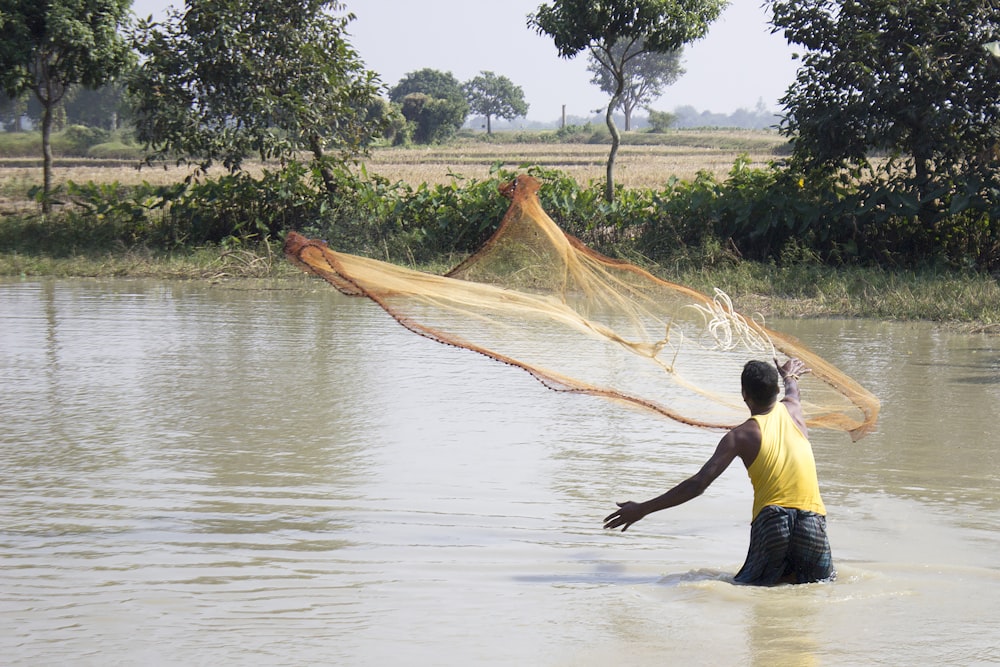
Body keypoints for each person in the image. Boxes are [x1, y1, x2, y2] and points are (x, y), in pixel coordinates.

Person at [603, 358, 835, 585]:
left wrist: (643, 508)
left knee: (751, 591)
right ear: (776, 390)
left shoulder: (739, 436)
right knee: (818, 587)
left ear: (744, 394)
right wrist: (789, 376)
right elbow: (793, 390)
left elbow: (698, 484)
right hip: (811, 521)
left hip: (772, 523)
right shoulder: (794, 411)